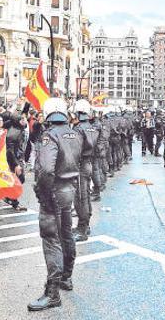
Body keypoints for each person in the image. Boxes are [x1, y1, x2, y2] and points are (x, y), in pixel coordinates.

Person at [28, 98, 81, 312]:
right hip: (69, 189)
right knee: (66, 233)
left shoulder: (50, 136)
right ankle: (66, 278)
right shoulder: (74, 133)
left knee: (51, 240)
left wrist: (43, 192)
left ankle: (52, 293)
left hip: (55, 191)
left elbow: (47, 170)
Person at [72, 100, 99, 242]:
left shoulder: (78, 129)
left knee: (80, 197)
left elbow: (75, 149)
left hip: (81, 164)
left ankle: (83, 228)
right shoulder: (92, 127)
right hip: (88, 162)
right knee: (86, 195)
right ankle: (85, 225)